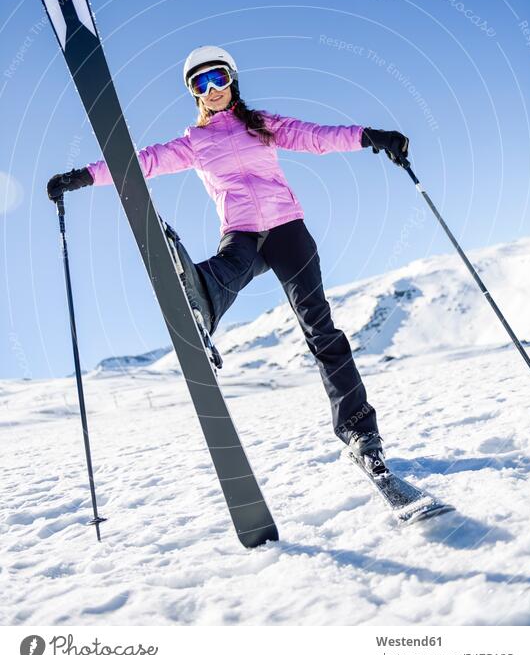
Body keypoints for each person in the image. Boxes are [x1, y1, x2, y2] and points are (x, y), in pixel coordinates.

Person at [47, 45, 409, 475]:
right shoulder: (195, 142)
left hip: (287, 229)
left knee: (320, 328)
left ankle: (359, 433)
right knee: (229, 266)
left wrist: (371, 136)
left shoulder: (262, 124)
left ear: (232, 79)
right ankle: (200, 298)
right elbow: (143, 163)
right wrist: (83, 177)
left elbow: (316, 137)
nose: (212, 88)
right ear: (194, 94)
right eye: (201, 83)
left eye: (217, 77)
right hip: (241, 232)